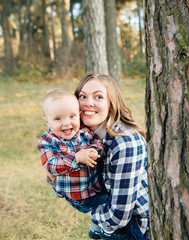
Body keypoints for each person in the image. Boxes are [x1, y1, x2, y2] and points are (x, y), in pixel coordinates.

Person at [74, 73, 149, 240]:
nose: (88, 103)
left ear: (111, 104)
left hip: (135, 228)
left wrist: (87, 208)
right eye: (82, 96)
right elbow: (72, 186)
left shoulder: (125, 143)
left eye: (98, 97)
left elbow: (118, 216)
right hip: (109, 224)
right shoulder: (83, 138)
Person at [37, 90, 109, 232]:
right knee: (112, 205)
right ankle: (111, 231)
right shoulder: (47, 141)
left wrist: (94, 150)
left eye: (72, 116)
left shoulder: (83, 131)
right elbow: (51, 165)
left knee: (105, 205)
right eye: (58, 119)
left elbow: (96, 142)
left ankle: (96, 228)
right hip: (79, 195)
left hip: (95, 187)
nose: (67, 123)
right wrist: (76, 158)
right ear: (47, 121)